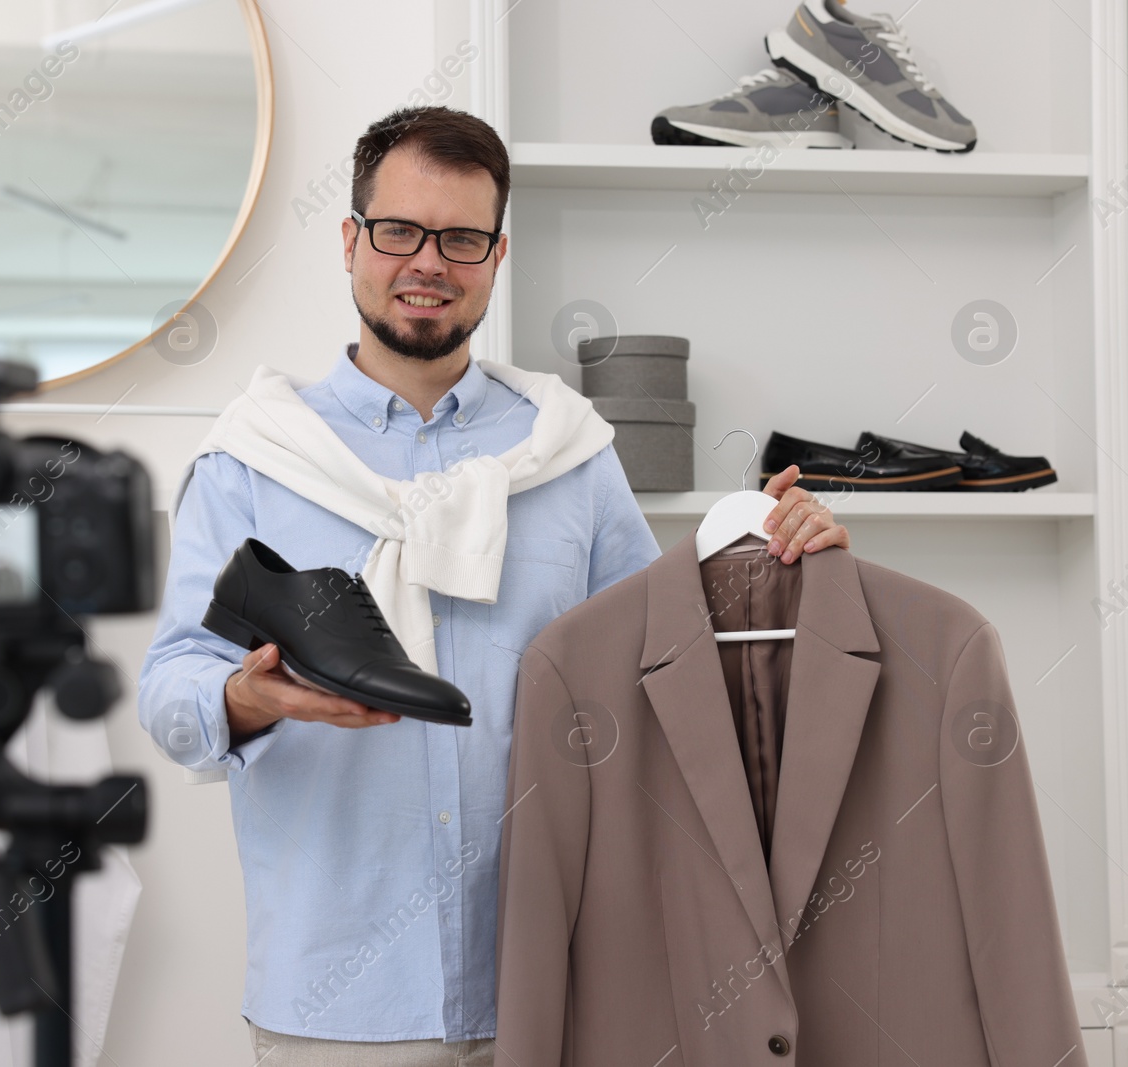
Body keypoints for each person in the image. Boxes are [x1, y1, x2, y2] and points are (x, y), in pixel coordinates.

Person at [136, 105, 848, 1067]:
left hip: (557, 978)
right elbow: (170, 682)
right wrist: (243, 697)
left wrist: (765, 557)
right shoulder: (254, 460)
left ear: (496, 255)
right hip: (340, 1000)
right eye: (399, 231)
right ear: (351, 242)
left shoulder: (569, 454)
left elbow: (670, 668)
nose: (428, 262)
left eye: (461, 238)